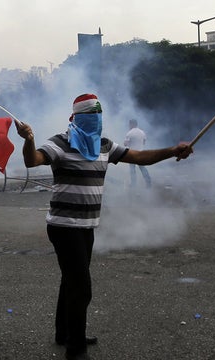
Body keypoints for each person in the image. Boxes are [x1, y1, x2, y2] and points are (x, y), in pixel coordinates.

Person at [15, 94, 192, 360]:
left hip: (86, 225)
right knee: (81, 286)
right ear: (76, 118)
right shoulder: (60, 142)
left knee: (71, 280)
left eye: (99, 117)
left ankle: (64, 332)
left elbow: (140, 157)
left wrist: (172, 151)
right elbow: (33, 160)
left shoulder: (104, 145)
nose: (96, 122)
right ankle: (76, 349)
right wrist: (28, 140)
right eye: (91, 117)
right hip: (64, 226)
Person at [123, 119, 152, 188]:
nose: (128, 126)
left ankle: (133, 184)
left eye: (129, 124)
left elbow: (125, 144)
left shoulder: (129, 133)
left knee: (132, 170)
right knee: (142, 168)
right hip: (141, 153)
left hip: (132, 154)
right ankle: (148, 181)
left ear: (132, 124)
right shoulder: (142, 132)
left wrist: (131, 143)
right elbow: (144, 141)